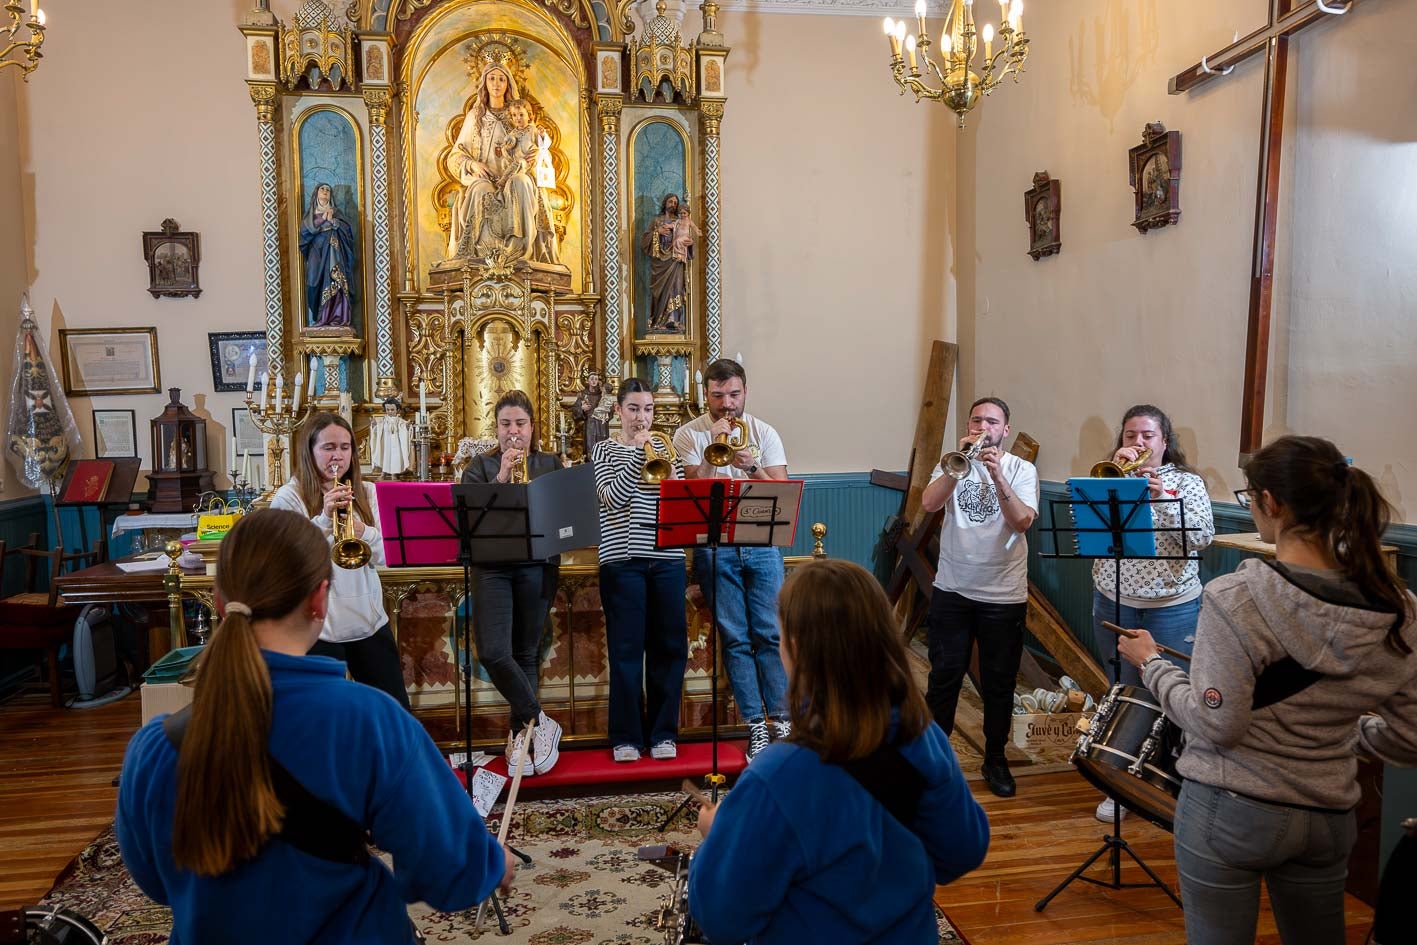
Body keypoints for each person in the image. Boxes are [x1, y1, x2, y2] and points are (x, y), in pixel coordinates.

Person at [115, 509, 513, 944]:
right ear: (320, 599)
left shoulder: (154, 746)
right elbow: (451, 874)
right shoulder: (370, 722)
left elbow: (154, 881)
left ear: (217, 596)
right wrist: (495, 864)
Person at [1116, 435, 1417, 945]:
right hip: (1328, 814)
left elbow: (1219, 722)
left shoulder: (1238, 596)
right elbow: (1411, 737)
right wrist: (1346, 732)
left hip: (1231, 806)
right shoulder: (1398, 609)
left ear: (1270, 503)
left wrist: (1153, 666)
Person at [688, 559, 990, 944]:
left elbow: (721, 918)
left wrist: (718, 837)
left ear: (795, 647)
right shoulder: (923, 736)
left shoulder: (778, 775)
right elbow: (962, 852)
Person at [1091, 404, 1215, 821]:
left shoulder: (1187, 483)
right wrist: (1115, 478)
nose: (1138, 443)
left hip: (1172, 606)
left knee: (1174, 695)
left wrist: (1162, 497)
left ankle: (1168, 783)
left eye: (1147, 436)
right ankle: (1120, 784)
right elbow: (1087, 531)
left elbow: (1202, 536)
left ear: (1165, 442)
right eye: (1130, 436)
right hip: (1115, 600)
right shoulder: (1107, 477)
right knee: (1122, 693)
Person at [920, 396, 1039, 798]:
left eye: (992, 421)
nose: (982, 427)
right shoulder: (952, 461)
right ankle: (937, 762)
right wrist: (958, 468)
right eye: (976, 420)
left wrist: (997, 476)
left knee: (999, 683)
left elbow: (1022, 521)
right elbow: (928, 503)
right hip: (952, 588)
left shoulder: (1022, 469)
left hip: (1003, 594)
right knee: (943, 678)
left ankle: (995, 757)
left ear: (1005, 430)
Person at [672, 358, 790, 762]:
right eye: (718, 395)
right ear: (706, 394)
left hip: (761, 545)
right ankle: (756, 725)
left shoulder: (764, 432)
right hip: (714, 547)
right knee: (737, 638)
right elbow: (692, 488)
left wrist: (751, 465)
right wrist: (710, 450)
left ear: (745, 393)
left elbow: (782, 491)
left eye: (734, 395)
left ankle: (783, 722)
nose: (727, 404)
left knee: (769, 634)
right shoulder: (688, 434)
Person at [270, 412, 409, 710]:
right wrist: (323, 519)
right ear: (310, 450)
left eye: (345, 447)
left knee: (394, 711)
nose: (338, 455)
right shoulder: (289, 497)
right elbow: (289, 562)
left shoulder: (368, 493)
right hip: (317, 629)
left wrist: (365, 533)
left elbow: (391, 557)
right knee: (324, 715)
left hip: (368, 623)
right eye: (329, 447)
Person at [461, 389, 564, 775]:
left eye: (520, 424)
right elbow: (471, 524)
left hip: (538, 565)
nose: (513, 432)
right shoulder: (480, 467)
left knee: (525, 653)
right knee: (493, 651)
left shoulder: (550, 463)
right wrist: (503, 476)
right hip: (492, 569)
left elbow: (562, 515)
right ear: (497, 428)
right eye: (506, 424)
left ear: (532, 427)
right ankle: (543, 720)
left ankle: (523, 734)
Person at [592, 377, 688, 763]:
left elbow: (679, 498)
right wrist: (636, 455)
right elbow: (610, 498)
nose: (641, 417)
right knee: (626, 651)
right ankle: (627, 736)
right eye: (633, 409)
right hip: (622, 561)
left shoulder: (667, 449)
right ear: (619, 411)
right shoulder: (603, 450)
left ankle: (663, 732)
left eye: (647, 409)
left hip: (667, 558)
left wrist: (662, 457)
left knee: (669, 648)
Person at [446, 62, 540, 261]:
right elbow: (454, 156)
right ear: (484, 83)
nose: (496, 84)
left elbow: (532, 147)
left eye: (501, 79)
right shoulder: (475, 117)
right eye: (491, 78)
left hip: (513, 175)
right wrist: (472, 164)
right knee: (481, 191)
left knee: (521, 183)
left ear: (508, 84)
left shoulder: (517, 115)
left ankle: (516, 250)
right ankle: (486, 254)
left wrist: (533, 154)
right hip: (484, 179)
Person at [299, 183, 356, 328]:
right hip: (316, 254)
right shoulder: (310, 216)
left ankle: (338, 317)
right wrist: (323, 219)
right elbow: (304, 233)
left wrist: (334, 222)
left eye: (328, 190)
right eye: (322, 189)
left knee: (336, 281)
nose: (325, 191)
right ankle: (320, 316)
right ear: (316, 193)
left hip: (334, 254)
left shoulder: (336, 213)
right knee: (313, 283)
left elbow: (348, 232)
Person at [641, 193, 689, 333]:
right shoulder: (657, 221)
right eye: (670, 201)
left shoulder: (680, 221)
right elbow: (644, 240)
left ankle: (673, 320)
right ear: (665, 203)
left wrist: (688, 243)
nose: (673, 204)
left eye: (675, 202)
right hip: (659, 263)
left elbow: (686, 237)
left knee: (675, 289)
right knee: (660, 292)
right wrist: (657, 232)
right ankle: (658, 320)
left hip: (675, 260)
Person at [369, 394, 415, 478]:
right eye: (388, 410)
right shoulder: (383, 420)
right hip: (386, 442)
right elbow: (378, 427)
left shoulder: (399, 421)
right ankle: (383, 473)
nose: (390, 411)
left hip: (396, 443)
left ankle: (394, 473)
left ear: (397, 409)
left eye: (392, 410)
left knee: (396, 457)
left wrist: (407, 426)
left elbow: (403, 427)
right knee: (385, 456)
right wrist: (375, 425)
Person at [571, 369, 610, 456]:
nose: (594, 381)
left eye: (596, 379)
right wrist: (582, 408)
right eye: (592, 379)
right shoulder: (583, 394)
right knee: (590, 448)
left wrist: (607, 411)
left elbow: (609, 409)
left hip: (601, 425)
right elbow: (575, 410)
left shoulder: (602, 394)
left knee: (602, 448)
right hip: (590, 425)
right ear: (587, 381)